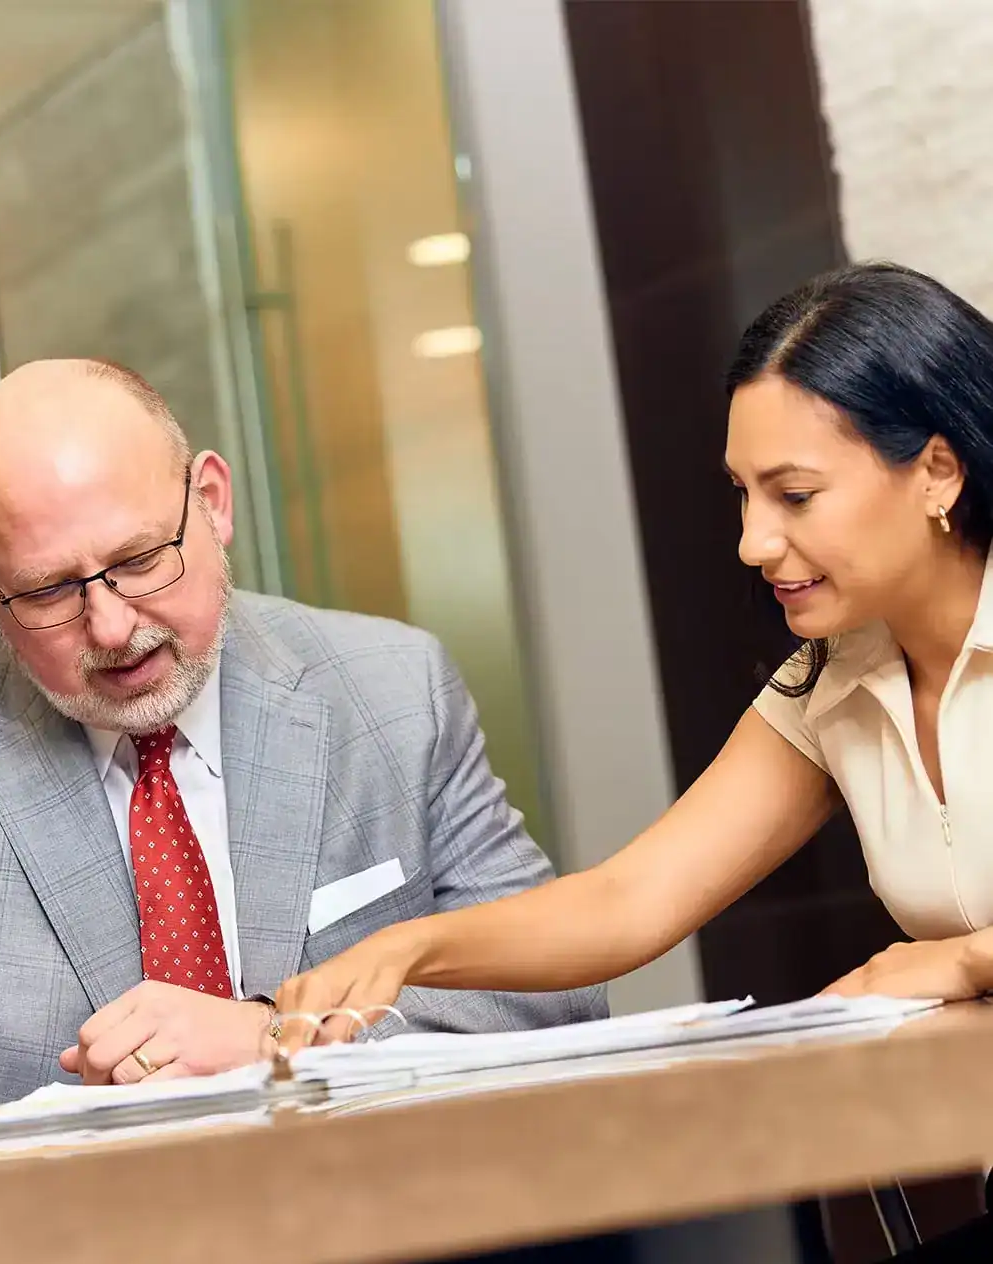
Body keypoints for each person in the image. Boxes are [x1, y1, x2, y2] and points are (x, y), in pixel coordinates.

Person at [0, 359, 603, 1160]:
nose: (113, 627)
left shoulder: (391, 692)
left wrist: (271, 1041)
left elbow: (552, 997)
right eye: (49, 589)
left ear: (211, 503)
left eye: (139, 560)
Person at [275, 262, 993, 1043]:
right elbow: (629, 901)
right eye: (742, 494)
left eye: (794, 496)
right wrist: (409, 947)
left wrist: (962, 963)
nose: (753, 542)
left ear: (937, 472)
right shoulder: (835, 680)